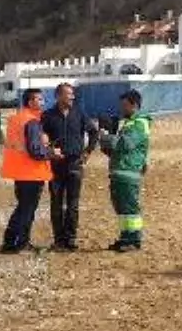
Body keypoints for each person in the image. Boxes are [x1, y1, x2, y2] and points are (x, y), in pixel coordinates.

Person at [40, 81, 100, 251]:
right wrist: (48, 148)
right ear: (58, 96)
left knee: (73, 204)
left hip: (75, 163)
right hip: (56, 165)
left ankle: (71, 239)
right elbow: (41, 135)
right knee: (56, 203)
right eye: (69, 93)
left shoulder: (79, 113)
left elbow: (93, 132)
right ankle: (59, 240)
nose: (72, 96)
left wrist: (88, 152)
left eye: (73, 93)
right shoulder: (48, 116)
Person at [0, 88, 54, 252]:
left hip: (20, 172)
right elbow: (35, 151)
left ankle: (11, 241)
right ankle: (19, 243)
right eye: (39, 99)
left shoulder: (17, 119)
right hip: (31, 172)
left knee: (22, 207)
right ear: (30, 102)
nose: (43, 102)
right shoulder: (31, 122)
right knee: (26, 209)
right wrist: (51, 153)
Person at [100, 89, 151, 252]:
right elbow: (116, 149)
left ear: (134, 105)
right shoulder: (128, 123)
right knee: (121, 208)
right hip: (120, 171)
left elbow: (126, 144)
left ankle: (133, 239)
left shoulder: (139, 123)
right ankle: (125, 238)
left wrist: (106, 136)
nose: (122, 109)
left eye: (124, 105)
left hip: (128, 171)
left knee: (129, 208)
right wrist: (106, 143)